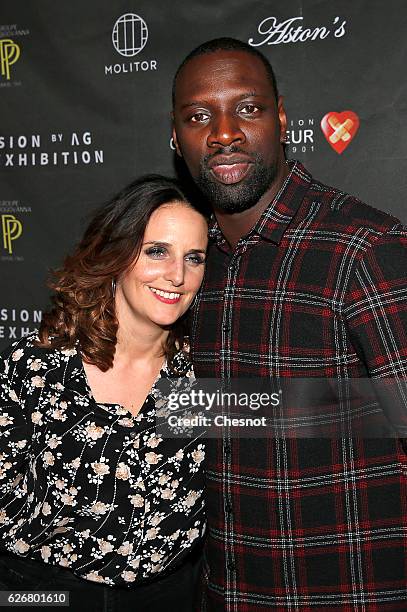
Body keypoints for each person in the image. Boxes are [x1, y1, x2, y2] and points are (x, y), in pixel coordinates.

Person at [171, 38, 407, 610]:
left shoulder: (363, 247)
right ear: (176, 139)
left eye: (247, 109)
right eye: (199, 116)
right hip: (227, 591)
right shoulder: (185, 269)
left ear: (281, 118)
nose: (224, 132)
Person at [0, 175, 208, 611]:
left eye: (194, 258)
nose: (177, 275)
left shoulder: (202, 374)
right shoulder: (35, 368)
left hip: (172, 597)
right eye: (156, 251)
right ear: (117, 255)